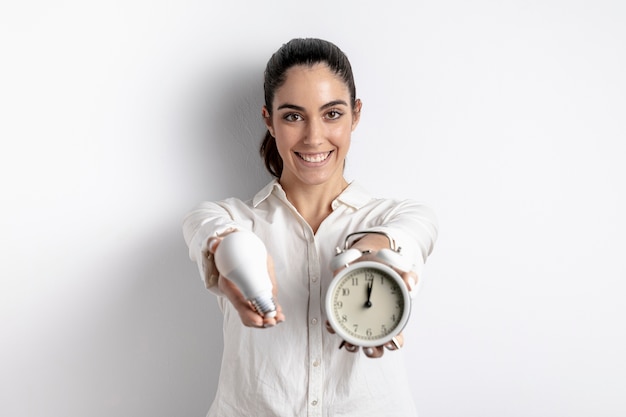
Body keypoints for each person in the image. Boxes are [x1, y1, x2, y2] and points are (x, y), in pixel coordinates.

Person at [183, 38, 438, 417]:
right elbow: (208, 231)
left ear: (356, 114)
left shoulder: (401, 214)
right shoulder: (231, 217)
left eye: (332, 114)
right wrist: (230, 253)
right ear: (269, 120)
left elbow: (412, 236)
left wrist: (371, 256)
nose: (314, 137)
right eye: (293, 116)